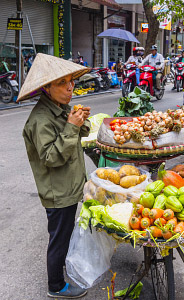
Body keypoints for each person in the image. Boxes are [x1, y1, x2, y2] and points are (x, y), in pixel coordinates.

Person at [19, 53, 91, 299]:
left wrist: (80, 120)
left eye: (71, 81)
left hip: (69, 187)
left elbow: (78, 136)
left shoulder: (61, 109)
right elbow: (50, 157)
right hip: (58, 192)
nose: (70, 87)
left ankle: (60, 274)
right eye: (62, 83)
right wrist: (72, 126)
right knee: (59, 239)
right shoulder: (41, 120)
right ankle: (56, 286)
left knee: (65, 233)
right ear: (46, 88)